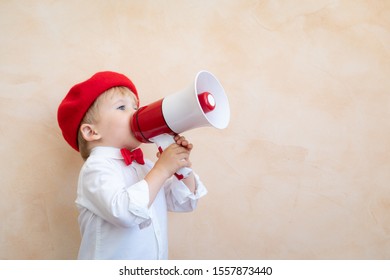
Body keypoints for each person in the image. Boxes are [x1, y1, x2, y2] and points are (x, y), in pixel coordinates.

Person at [57, 71, 207, 259]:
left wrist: (181, 168)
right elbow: (124, 212)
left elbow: (184, 203)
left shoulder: (146, 167)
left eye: (135, 107)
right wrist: (162, 169)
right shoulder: (95, 169)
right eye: (122, 107)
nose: (135, 113)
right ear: (91, 131)